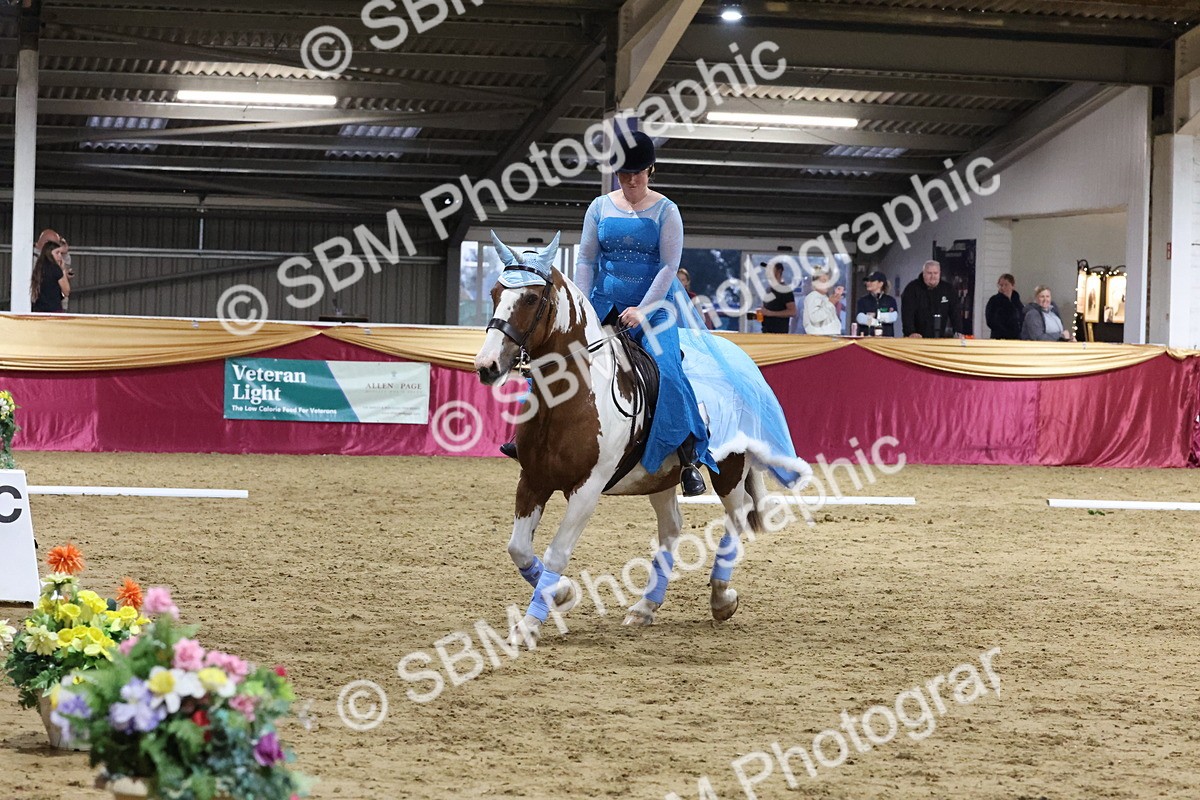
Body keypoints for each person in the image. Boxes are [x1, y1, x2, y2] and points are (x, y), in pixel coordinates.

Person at [570, 131, 712, 496]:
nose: (631, 180)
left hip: (655, 306)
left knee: (668, 370)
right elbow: (586, 258)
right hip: (603, 302)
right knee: (560, 355)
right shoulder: (599, 207)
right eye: (624, 173)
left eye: (638, 173)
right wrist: (583, 305)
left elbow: (669, 267)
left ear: (651, 169)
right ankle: (528, 435)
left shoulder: (667, 210)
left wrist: (644, 309)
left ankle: (688, 458)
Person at [901, 260, 960, 338]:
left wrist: (958, 332)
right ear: (924, 273)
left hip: (940, 338)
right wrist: (910, 332)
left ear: (940, 273)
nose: (933, 276)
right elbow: (907, 314)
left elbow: (955, 313)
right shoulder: (912, 289)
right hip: (916, 339)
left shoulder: (948, 289)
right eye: (929, 273)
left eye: (935, 273)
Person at [756, 261, 797, 334]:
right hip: (765, 331)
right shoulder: (768, 290)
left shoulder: (785, 290)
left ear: (779, 272)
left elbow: (792, 312)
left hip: (779, 333)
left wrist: (770, 313)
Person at [30, 238, 70, 313]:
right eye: (57, 253)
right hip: (53, 309)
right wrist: (63, 270)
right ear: (50, 253)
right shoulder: (56, 269)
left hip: (38, 308)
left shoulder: (39, 268)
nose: (60, 256)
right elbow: (66, 291)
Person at [855, 270, 898, 336]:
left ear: (880, 284)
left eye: (872, 281)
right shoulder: (862, 300)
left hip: (886, 339)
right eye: (867, 281)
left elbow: (893, 317)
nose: (868, 283)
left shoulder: (890, 300)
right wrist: (878, 321)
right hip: (866, 339)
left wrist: (875, 315)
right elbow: (860, 318)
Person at [802, 270, 842, 335]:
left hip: (831, 337)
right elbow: (815, 317)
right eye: (823, 281)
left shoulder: (825, 298)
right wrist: (830, 303)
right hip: (821, 339)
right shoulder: (813, 296)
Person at [985, 273, 1023, 339]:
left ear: (1012, 286)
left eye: (1006, 285)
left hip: (1017, 338)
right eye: (1001, 285)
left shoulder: (1017, 301)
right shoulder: (994, 300)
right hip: (1000, 337)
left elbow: (1021, 317)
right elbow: (990, 320)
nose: (1003, 288)